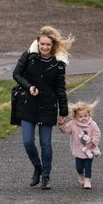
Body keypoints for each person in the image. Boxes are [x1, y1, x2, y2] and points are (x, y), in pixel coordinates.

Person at [12, 26, 74, 190]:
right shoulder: (29, 56)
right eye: (42, 44)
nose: (45, 48)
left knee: (45, 144)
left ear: (53, 45)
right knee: (27, 141)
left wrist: (64, 112)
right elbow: (16, 74)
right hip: (28, 105)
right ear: (37, 43)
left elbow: (60, 89)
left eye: (48, 45)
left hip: (47, 107)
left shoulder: (58, 64)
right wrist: (29, 86)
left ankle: (46, 176)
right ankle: (37, 167)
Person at [59, 101, 102, 189]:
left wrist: (93, 142)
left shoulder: (92, 124)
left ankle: (87, 180)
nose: (83, 118)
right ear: (75, 116)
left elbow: (97, 134)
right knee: (79, 167)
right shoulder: (72, 124)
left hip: (89, 149)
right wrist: (61, 124)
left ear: (89, 115)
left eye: (85, 116)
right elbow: (65, 130)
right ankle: (81, 175)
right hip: (78, 150)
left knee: (88, 166)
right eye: (80, 116)